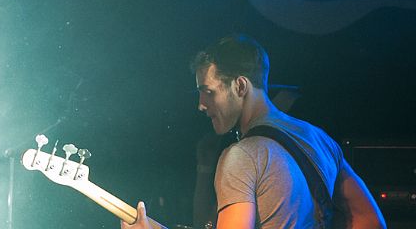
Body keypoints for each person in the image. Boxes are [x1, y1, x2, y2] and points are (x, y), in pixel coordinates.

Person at [126, 35, 386, 229]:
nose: (201, 105)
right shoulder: (318, 138)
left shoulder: (241, 156)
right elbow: (371, 222)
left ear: (240, 86)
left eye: (208, 92)